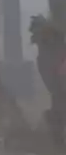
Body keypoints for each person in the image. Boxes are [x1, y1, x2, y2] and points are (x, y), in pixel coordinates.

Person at [30, 14, 66, 147]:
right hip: (58, 88)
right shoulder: (44, 53)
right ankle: (58, 140)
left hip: (60, 85)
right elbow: (49, 77)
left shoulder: (59, 44)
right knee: (57, 113)